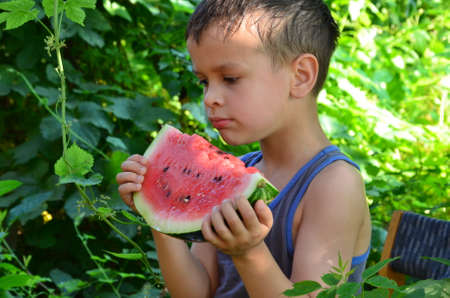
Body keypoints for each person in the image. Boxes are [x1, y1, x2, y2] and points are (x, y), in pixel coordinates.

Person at [116, 0, 372, 297]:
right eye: (203, 81)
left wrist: (249, 253)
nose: (210, 98)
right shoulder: (235, 172)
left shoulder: (334, 185)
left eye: (230, 79)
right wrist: (159, 212)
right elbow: (196, 292)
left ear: (300, 75)